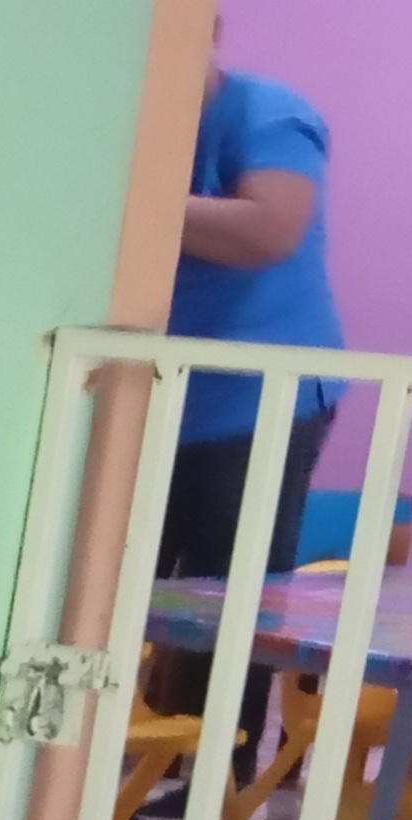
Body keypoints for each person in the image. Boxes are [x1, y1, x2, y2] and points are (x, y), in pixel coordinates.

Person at [160, 43, 345, 584]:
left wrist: (128, 199)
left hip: (257, 398)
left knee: (230, 598)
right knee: (112, 586)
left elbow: (269, 231)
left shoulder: (266, 113)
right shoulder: (122, 119)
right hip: (151, 391)